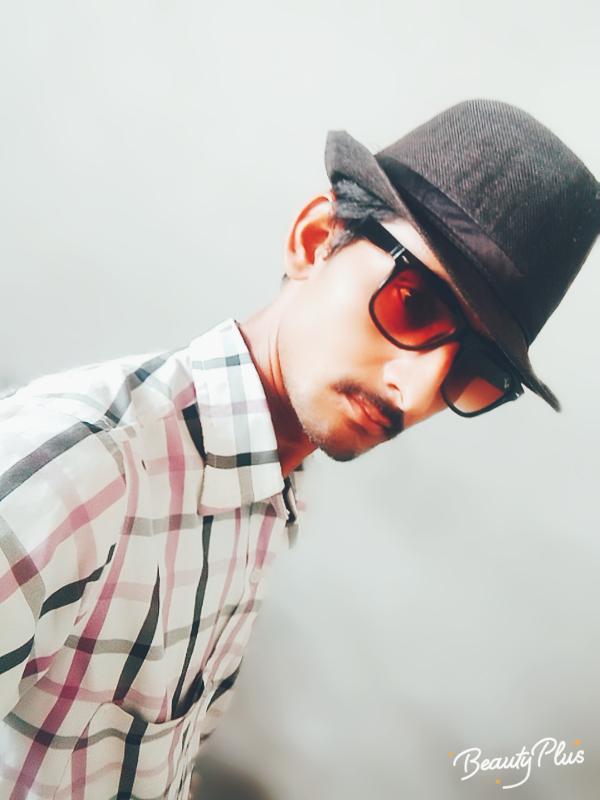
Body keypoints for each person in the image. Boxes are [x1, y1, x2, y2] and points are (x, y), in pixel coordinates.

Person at [0, 98, 598, 799]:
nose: (416, 390)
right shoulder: (80, 471)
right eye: (414, 303)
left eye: (474, 371)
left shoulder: (268, 494)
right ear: (315, 240)